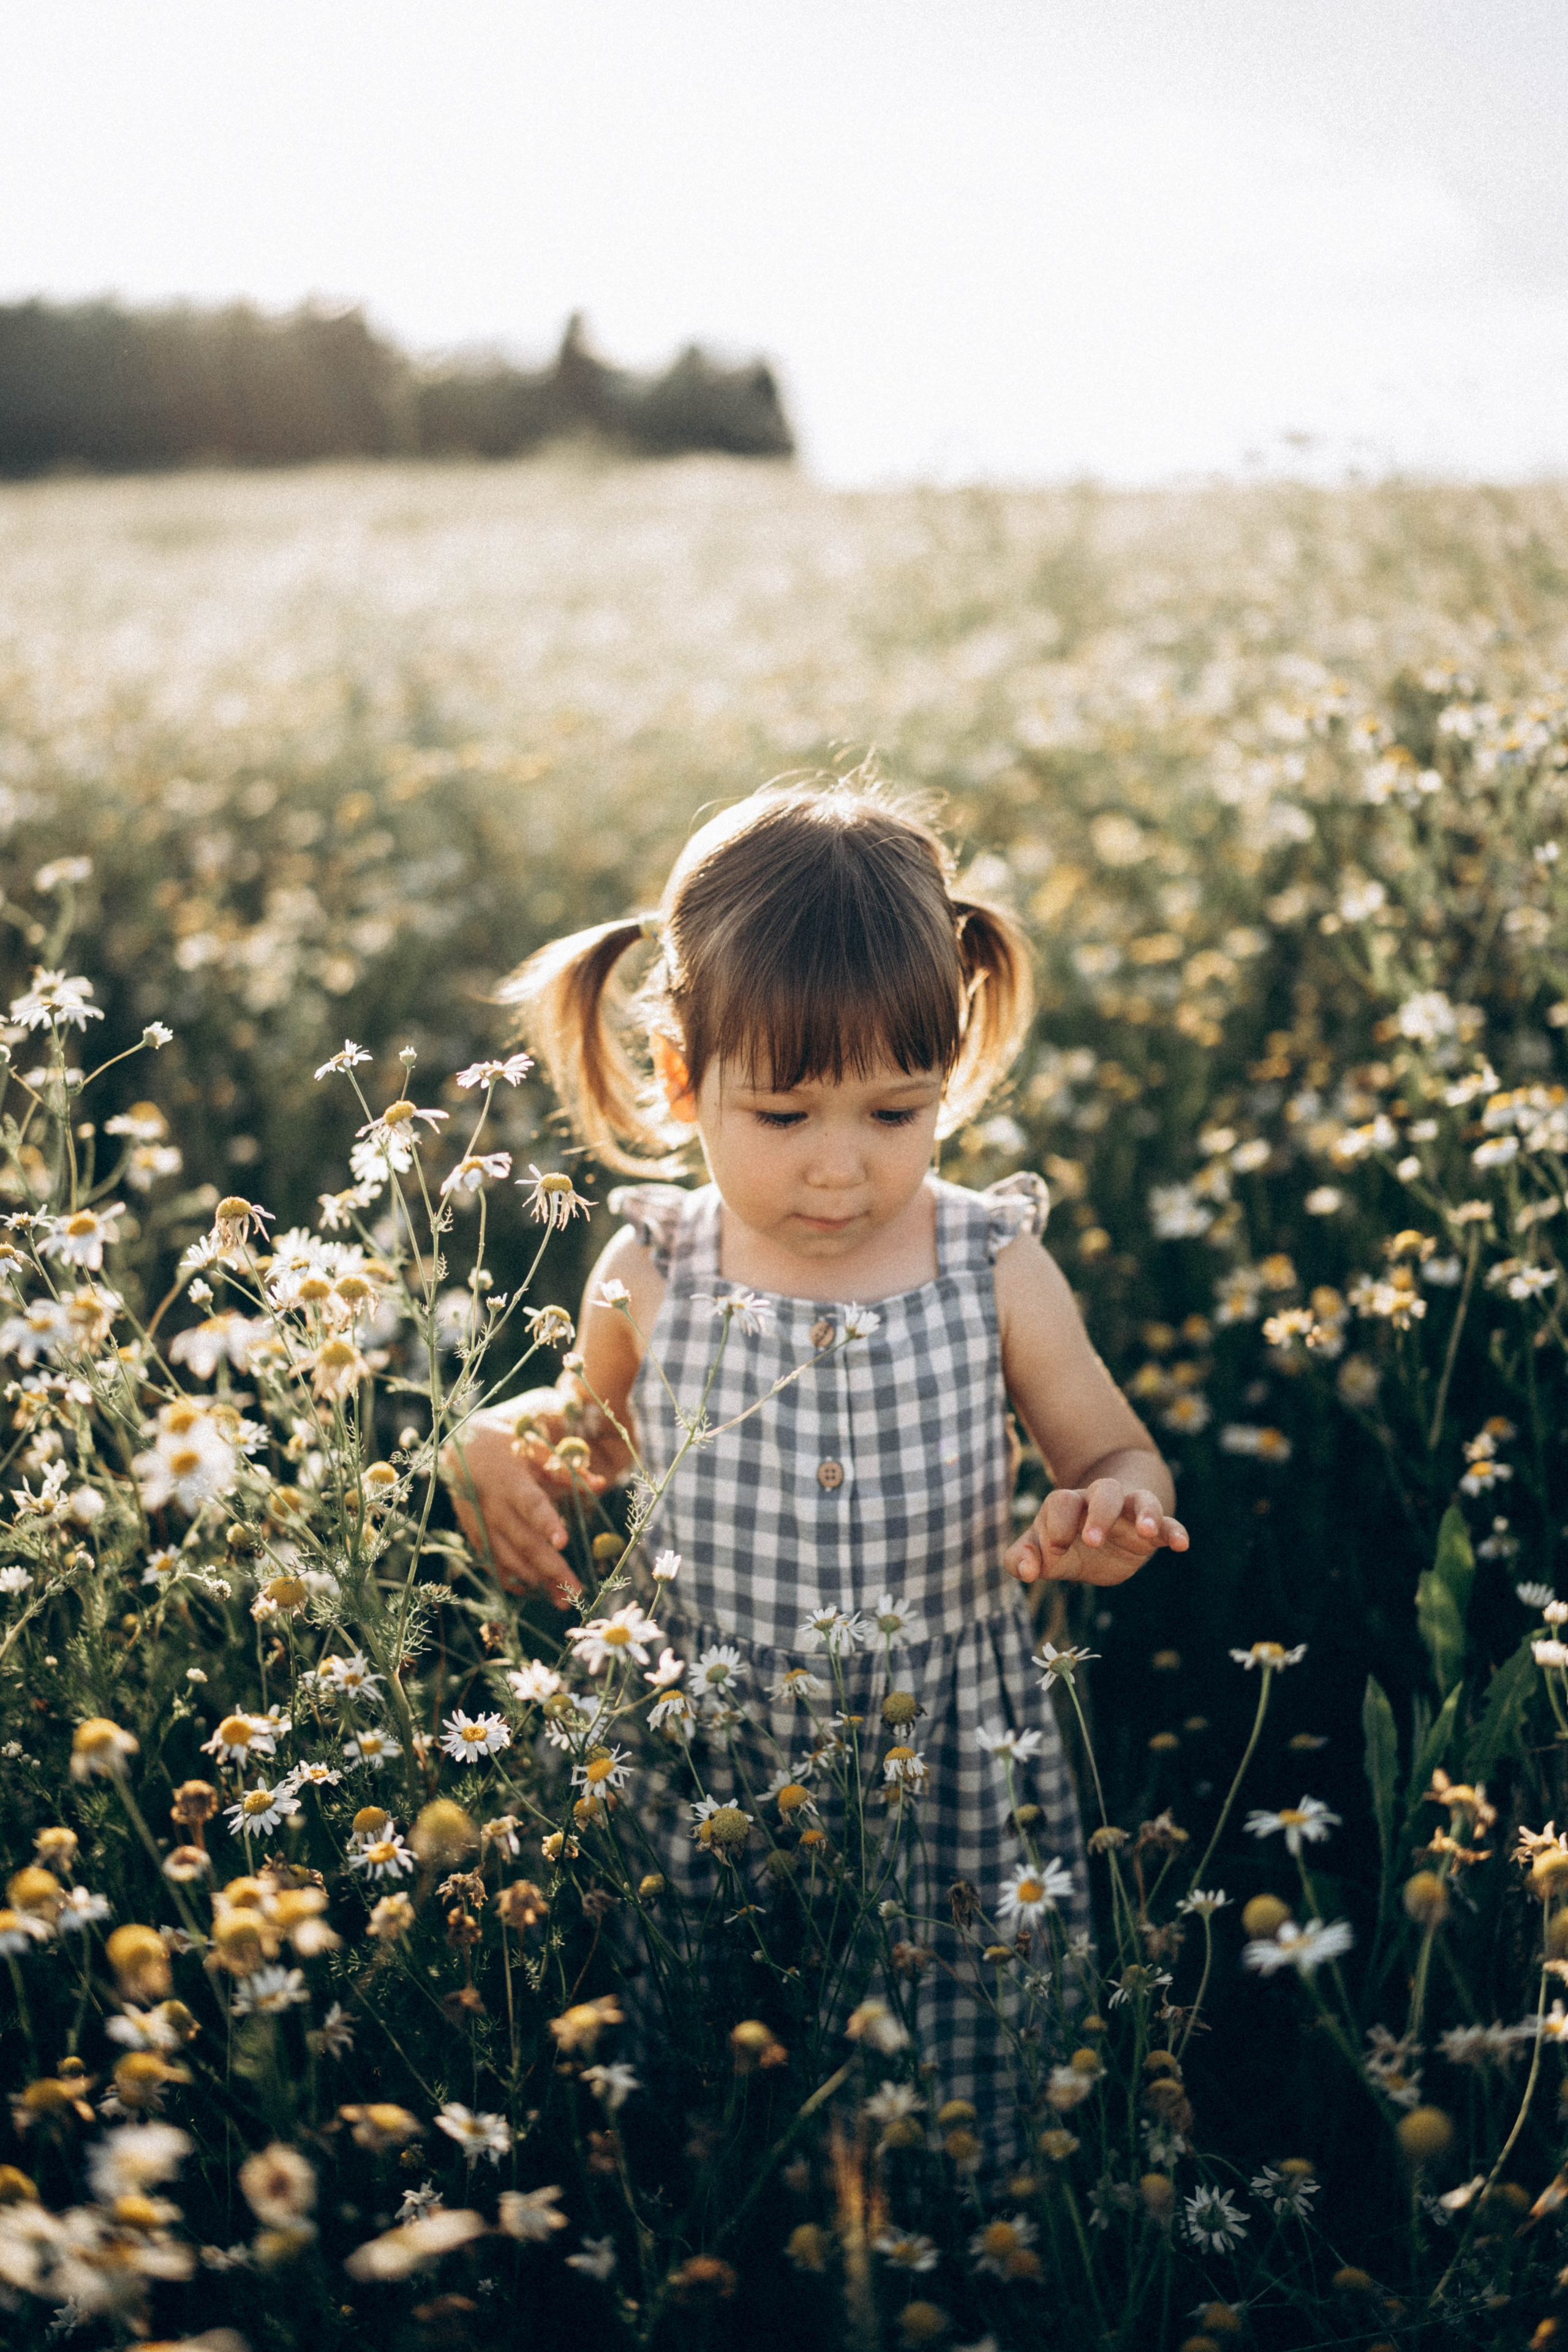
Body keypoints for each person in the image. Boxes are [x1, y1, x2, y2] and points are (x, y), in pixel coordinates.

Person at [447, 775, 1187, 2135]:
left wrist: (1110, 1514)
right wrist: (489, 1443)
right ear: (683, 1078)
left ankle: (957, 2222)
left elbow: (1115, 1451)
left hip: (937, 1758)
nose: (841, 1169)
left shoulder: (991, 1263)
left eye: (894, 1114)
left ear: (947, 1073)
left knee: (956, 2081)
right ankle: (706, 2195)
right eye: (785, 1118)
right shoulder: (655, 1265)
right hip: (703, 1740)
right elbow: (587, 1441)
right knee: (697, 2052)